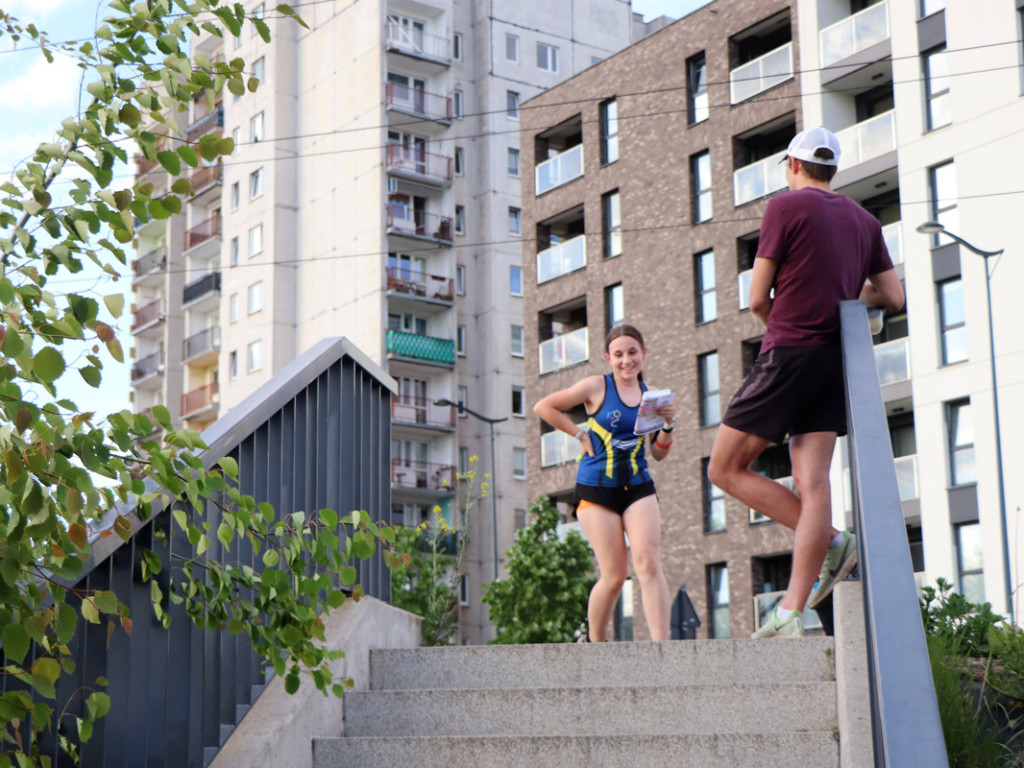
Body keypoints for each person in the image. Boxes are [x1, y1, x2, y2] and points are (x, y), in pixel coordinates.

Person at [707, 126, 905, 639]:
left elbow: (756, 297)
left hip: (788, 351)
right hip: (832, 361)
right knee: (813, 481)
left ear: (793, 165)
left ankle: (835, 542)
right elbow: (893, 296)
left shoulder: (783, 208)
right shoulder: (865, 221)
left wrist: (787, 323)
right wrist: (844, 295)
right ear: (833, 170)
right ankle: (792, 610)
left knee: (725, 468)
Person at [534, 324, 675, 642]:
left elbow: (658, 453)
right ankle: (595, 644)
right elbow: (544, 407)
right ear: (608, 358)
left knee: (648, 562)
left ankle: (663, 648)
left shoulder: (652, 398)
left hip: (638, 486)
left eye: (633, 352)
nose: (627, 360)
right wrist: (579, 433)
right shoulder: (597, 386)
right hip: (596, 489)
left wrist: (668, 425)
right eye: (619, 354)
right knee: (613, 576)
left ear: (644, 354)